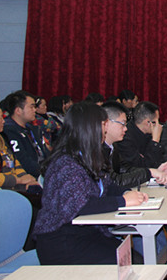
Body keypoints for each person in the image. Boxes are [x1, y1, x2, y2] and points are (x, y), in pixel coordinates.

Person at [33, 102, 148, 265]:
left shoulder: (87, 156)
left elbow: (107, 186)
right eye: (103, 124)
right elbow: (80, 206)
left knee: (134, 259)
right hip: (61, 240)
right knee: (129, 263)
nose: (105, 129)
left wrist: (127, 193)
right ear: (89, 128)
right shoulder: (65, 163)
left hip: (87, 232)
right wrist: (123, 201)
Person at [101, 102, 167, 187]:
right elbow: (114, 181)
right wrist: (149, 172)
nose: (125, 128)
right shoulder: (97, 150)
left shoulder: (113, 146)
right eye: (122, 124)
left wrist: (155, 171)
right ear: (106, 123)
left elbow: (126, 169)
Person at [0, 103, 40, 190]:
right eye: (0, 118)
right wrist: (19, 180)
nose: (3, 121)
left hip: (14, 185)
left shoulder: (2, 138)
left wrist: (26, 178)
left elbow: (16, 163)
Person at [2, 91, 46, 178]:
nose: (35, 110)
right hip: (28, 176)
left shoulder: (32, 129)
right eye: (31, 107)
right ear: (18, 110)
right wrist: (47, 172)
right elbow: (23, 162)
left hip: (43, 171)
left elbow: (45, 153)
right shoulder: (9, 131)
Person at [116, 101, 167, 170]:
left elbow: (159, 161)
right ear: (148, 123)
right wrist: (155, 141)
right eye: (156, 121)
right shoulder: (125, 138)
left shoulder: (148, 133)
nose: (159, 125)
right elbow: (143, 167)